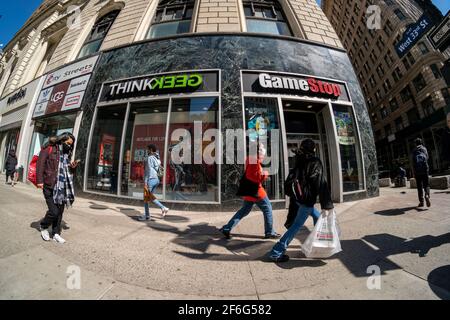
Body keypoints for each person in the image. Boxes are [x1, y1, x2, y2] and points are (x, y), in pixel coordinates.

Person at [269, 139, 334, 262]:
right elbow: (320, 183)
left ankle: (317, 243)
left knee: (317, 217)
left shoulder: (300, 159)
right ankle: (276, 252)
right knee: (296, 226)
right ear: (314, 149)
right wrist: (327, 204)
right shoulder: (314, 161)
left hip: (299, 198)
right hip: (306, 201)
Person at [220, 143, 280, 240]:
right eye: (262, 152)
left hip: (249, 191)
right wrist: (265, 174)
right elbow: (254, 177)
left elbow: (251, 174)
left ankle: (227, 228)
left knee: (243, 211)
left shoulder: (250, 159)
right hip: (256, 191)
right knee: (267, 209)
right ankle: (269, 232)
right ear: (257, 152)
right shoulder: (254, 161)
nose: (263, 154)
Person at [36, 133, 78, 243]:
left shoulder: (66, 153)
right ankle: (43, 226)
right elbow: (40, 165)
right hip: (49, 185)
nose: (69, 146)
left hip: (63, 187)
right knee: (54, 211)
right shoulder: (48, 148)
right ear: (61, 140)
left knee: (59, 213)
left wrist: (73, 168)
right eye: (68, 143)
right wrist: (39, 181)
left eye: (71, 144)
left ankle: (55, 233)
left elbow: (68, 171)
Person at [138, 144, 169, 221]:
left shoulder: (149, 158)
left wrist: (145, 181)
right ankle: (162, 208)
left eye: (147, 149)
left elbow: (148, 171)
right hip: (156, 180)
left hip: (150, 179)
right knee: (149, 197)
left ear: (151, 150)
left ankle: (149, 215)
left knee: (146, 198)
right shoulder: (157, 157)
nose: (147, 151)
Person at [412, 138, 431, 208]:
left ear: (415, 143)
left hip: (417, 171)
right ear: (421, 142)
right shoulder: (424, 149)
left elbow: (413, 162)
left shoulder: (414, 150)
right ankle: (427, 195)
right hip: (425, 169)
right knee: (426, 184)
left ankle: (421, 202)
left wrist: (414, 172)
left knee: (419, 187)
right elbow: (427, 158)